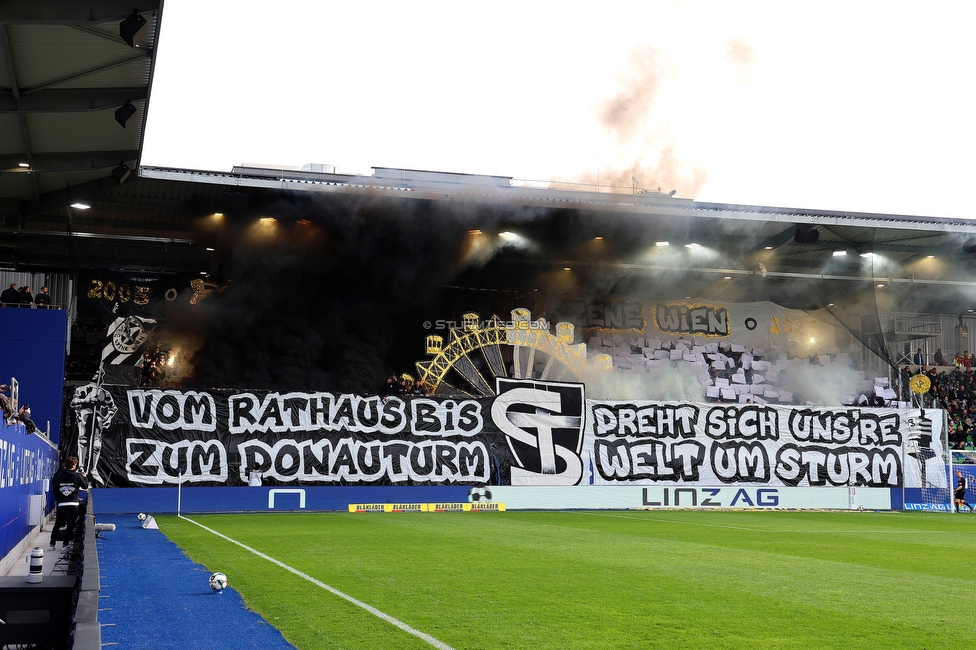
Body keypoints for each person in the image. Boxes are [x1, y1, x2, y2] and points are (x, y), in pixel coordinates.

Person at [50, 456, 89, 549]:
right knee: (70, 525)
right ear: (74, 465)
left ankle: (52, 544)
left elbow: (55, 490)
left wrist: (59, 501)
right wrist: (85, 477)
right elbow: (85, 486)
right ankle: (65, 545)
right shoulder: (77, 476)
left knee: (57, 524)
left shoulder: (59, 476)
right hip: (73, 504)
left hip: (62, 504)